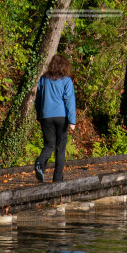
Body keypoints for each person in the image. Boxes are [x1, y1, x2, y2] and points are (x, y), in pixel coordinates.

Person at [33, 54, 76, 182]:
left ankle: (40, 162)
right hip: (61, 117)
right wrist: (72, 120)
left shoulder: (43, 79)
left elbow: (38, 99)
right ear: (64, 66)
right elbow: (69, 100)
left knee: (49, 144)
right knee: (60, 148)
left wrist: (39, 114)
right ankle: (57, 179)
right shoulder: (66, 81)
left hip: (46, 116)